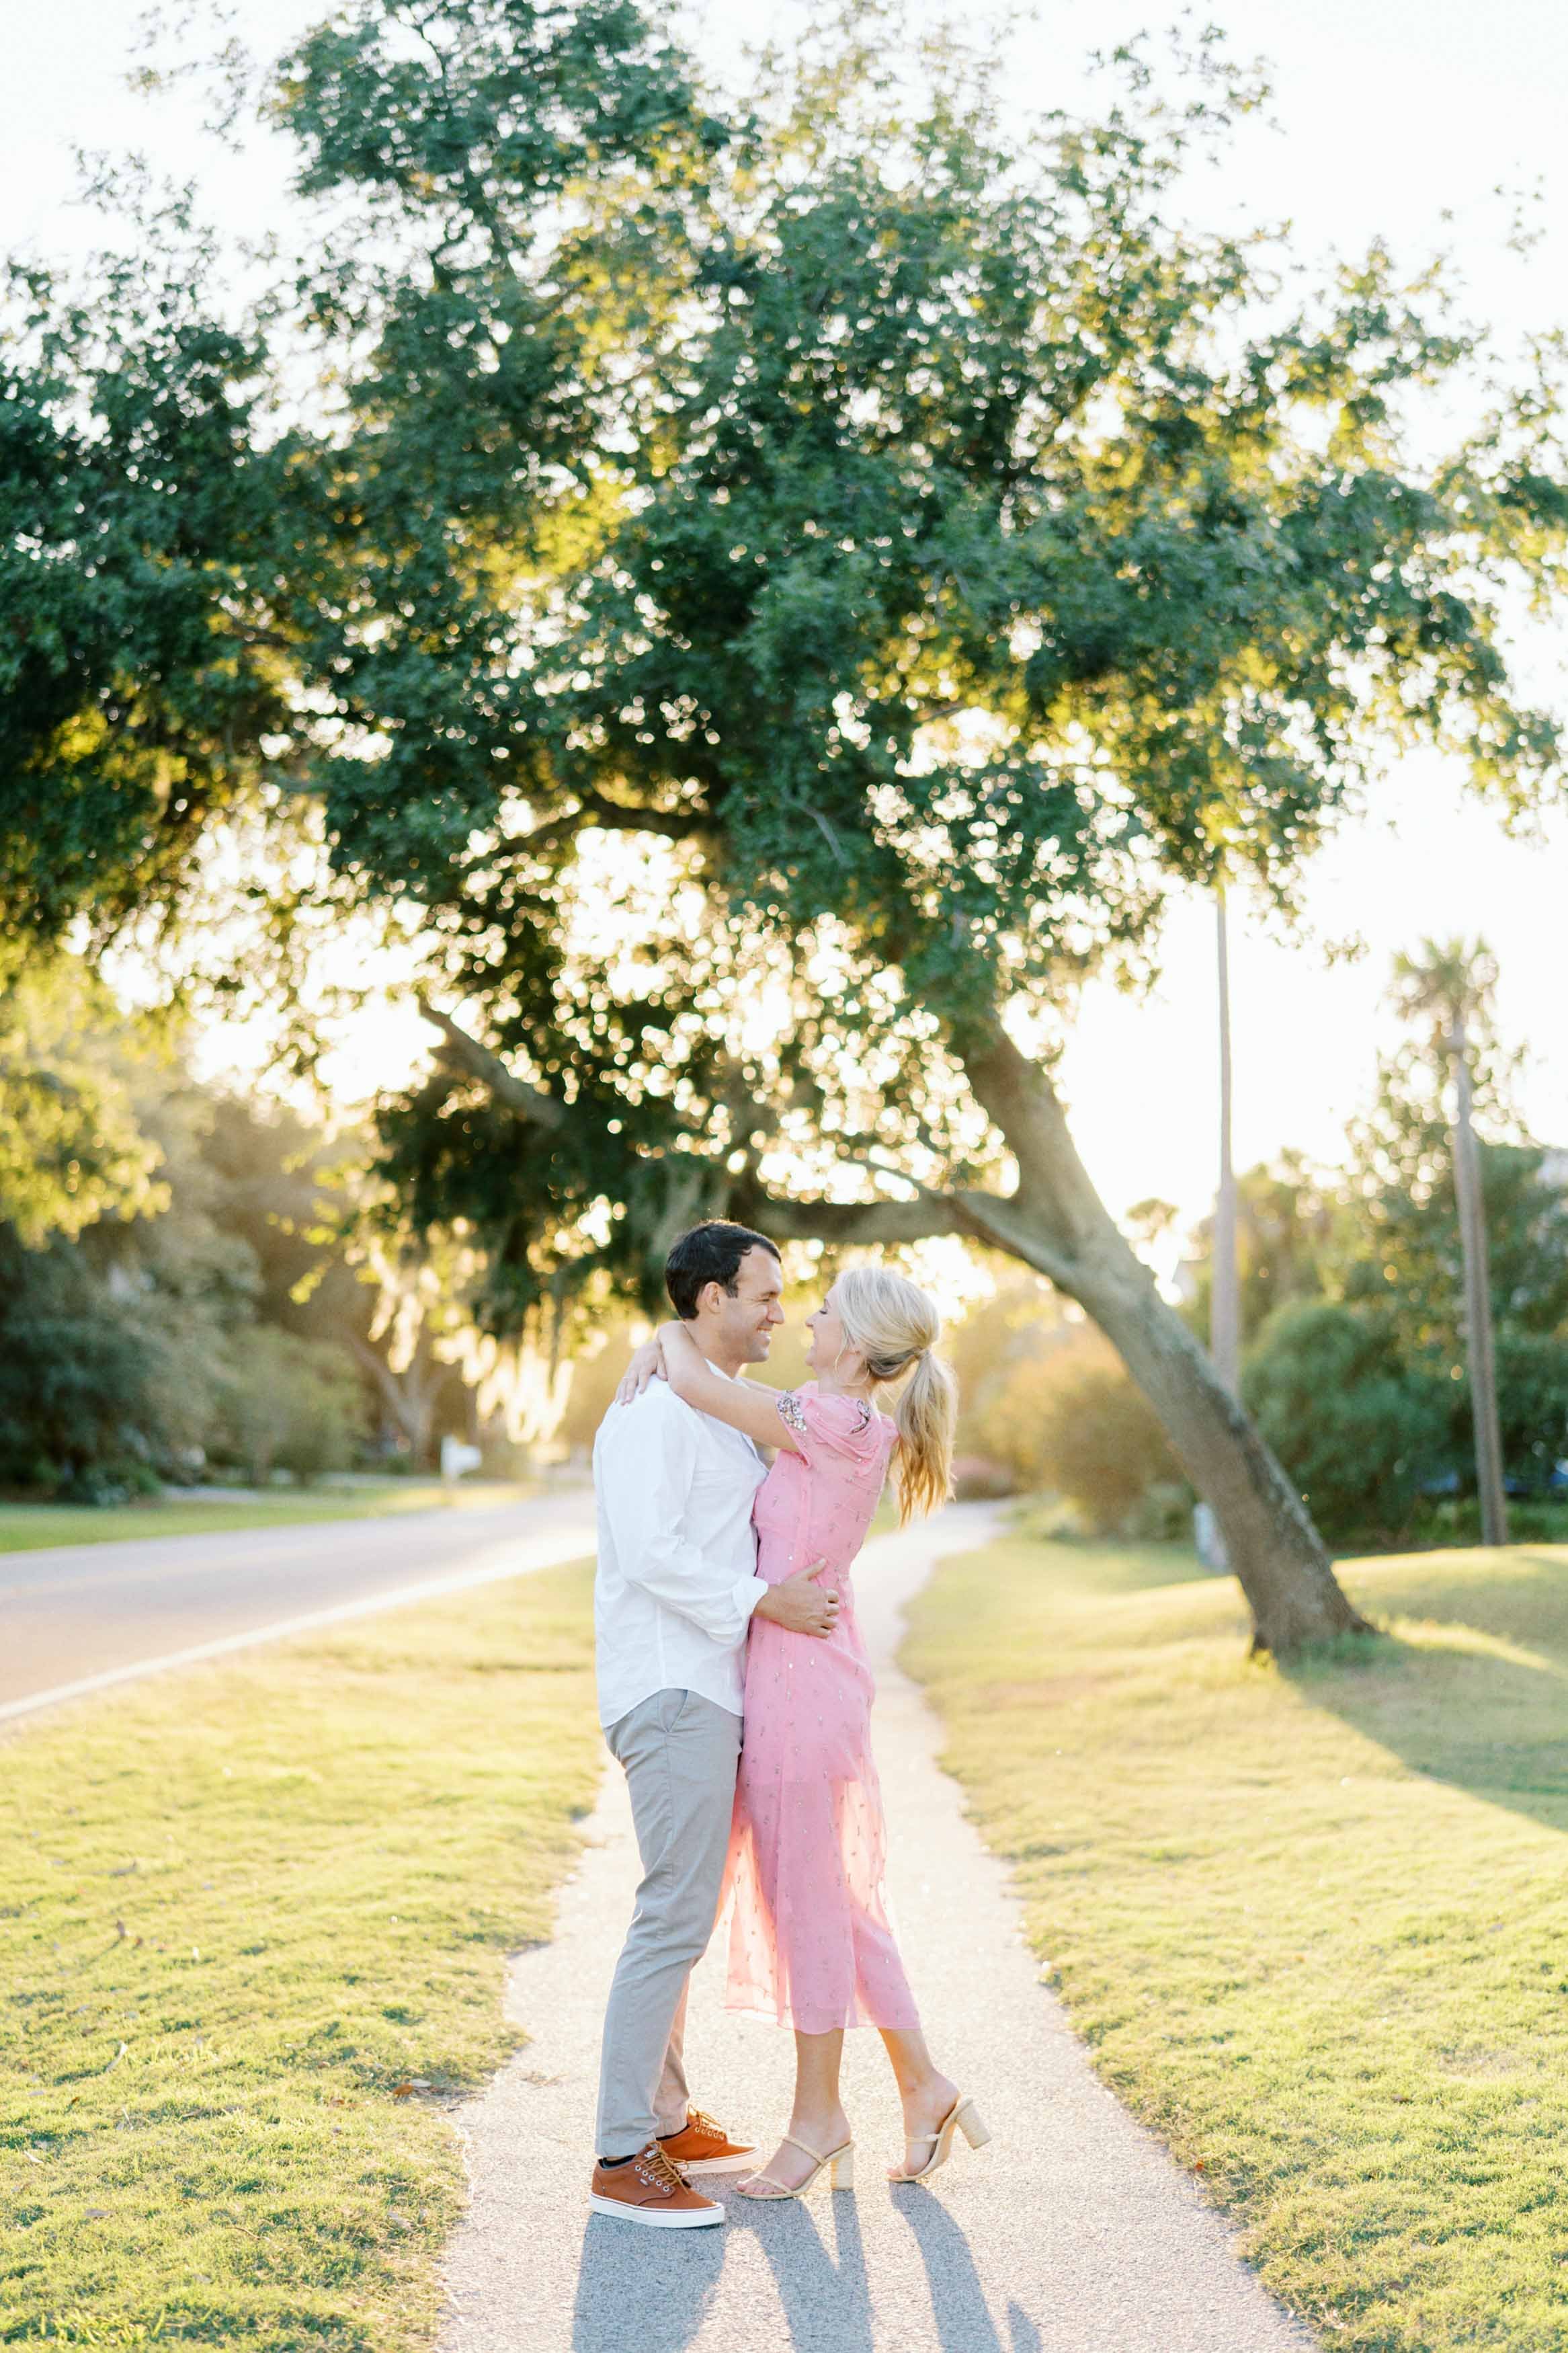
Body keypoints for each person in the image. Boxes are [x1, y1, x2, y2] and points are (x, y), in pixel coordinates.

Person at [616, 1263, 990, 2200]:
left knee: (809, 1906)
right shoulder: (837, 1420)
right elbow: (715, 1395)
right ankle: (924, 2087)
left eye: (820, 1313)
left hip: (799, 1689)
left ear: (854, 1348)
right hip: (796, 1679)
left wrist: (661, 1338)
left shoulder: (832, 1419)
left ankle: (817, 2121)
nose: (804, 1320)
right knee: (833, 1900)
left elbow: (700, 1381)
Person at [588, 1222, 843, 2230]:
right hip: (672, 1689)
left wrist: (666, 1341)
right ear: (708, 1301)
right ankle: (617, 2152)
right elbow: (649, 1555)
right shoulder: (652, 1415)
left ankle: (661, 2115)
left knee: (682, 1916)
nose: (780, 1312)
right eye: (763, 1295)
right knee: (673, 1915)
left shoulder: (716, 1408)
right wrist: (763, 1600)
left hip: (712, 1691)